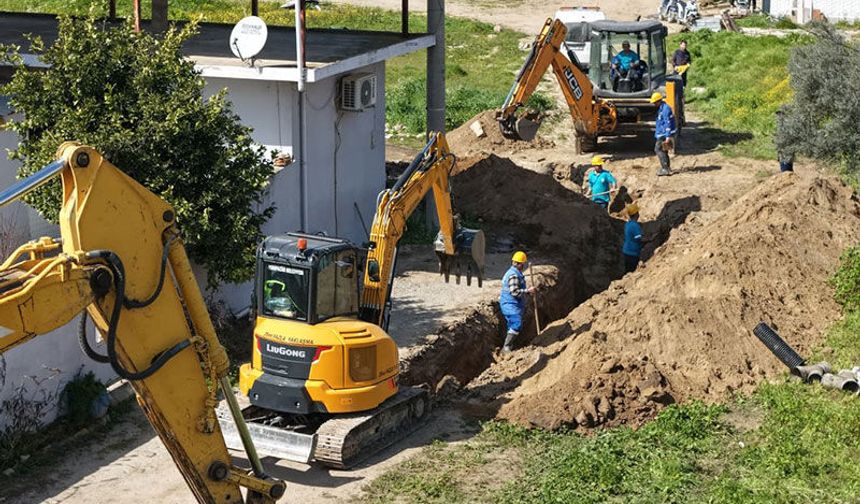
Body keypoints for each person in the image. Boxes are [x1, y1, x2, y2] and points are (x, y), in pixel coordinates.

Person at [500, 251, 535, 353]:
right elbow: (514, 292)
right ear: (519, 264)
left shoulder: (514, 272)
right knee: (516, 323)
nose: (523, 266)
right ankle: (506, 347)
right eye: (522, 264)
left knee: (512, 324)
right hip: (509, 304)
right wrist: (528, 291)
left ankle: (508, 346)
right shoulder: (513, 275)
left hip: (513, 303)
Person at [651, 92, 676, 176]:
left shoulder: (665, 109)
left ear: (658, 101)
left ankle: (665, 169)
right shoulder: (662, 108)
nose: (654, 104)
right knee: (664, 150)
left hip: (664, 134)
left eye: (655, 102)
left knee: (658, 149)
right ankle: (667, 168)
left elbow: (667, 123)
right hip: (662, 133)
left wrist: (668, 136)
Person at [622, 203, 643, 272]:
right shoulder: (635, 226)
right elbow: (639, 238)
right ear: (637, 214)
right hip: (633, 253)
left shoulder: (628, 224)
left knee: (627, 270)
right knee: (631, 270)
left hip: (626, 251)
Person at [775, 108, 794, 173]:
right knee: (784, 170)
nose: (778, 116)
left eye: (780, 114)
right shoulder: (780, 124)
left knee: (787, 171)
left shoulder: (787, 124)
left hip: (786, 152)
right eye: (778, 114)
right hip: (782, 152)